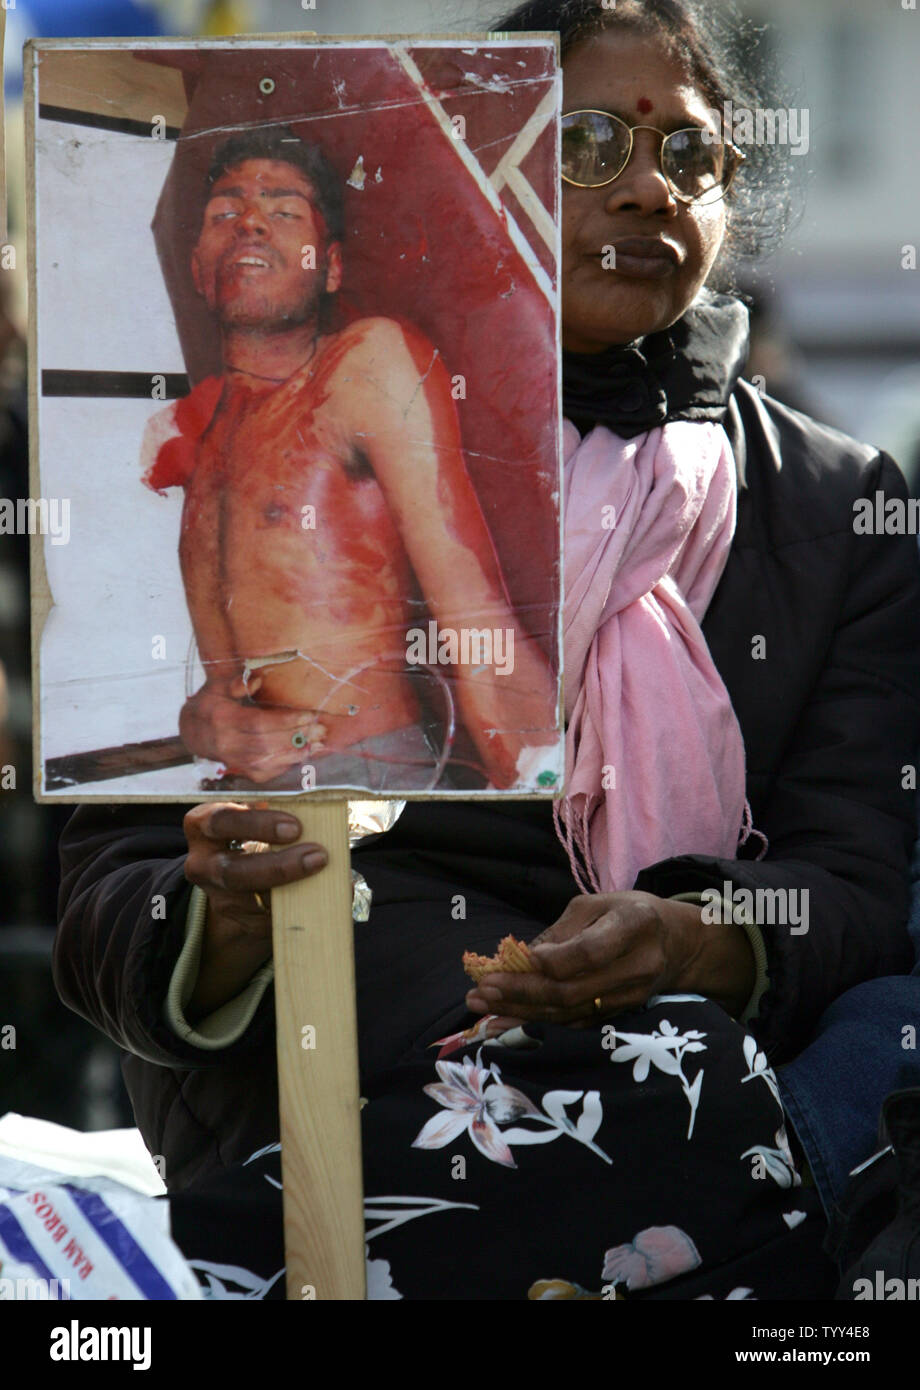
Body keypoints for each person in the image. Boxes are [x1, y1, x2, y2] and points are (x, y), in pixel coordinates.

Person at [55, 0, 920, 1300]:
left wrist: (695, 938)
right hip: (345, 1055)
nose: (644, 189)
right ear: (497, 162)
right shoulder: (258, 432)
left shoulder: (836, 500)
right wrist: (225, 919)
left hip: (696, 1050)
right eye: (583, 146)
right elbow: (109, 883)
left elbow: (852, 877)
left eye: (687, 158)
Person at [143, 126, 557, 793]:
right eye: (225, 212)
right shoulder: (202, 442)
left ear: (330, 267)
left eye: (281, 211)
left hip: (369, 784)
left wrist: (543, 799)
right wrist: (205, 725)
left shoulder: (363, 366)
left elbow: (475, 619)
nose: (249, 223)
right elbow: (229, 683)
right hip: (243, 798)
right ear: (197, 268)